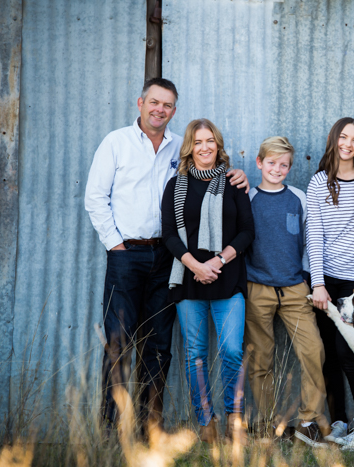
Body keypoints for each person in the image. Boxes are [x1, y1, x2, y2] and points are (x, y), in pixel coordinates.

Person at [84, 79, 248, 434]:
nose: (160, 110)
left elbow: (210, 177)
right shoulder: (117, 142)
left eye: (168, 105)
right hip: (127, 255)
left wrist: (237, 173)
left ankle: (149, 428)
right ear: (140, 103)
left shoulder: (181, 147)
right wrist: (116, 245)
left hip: (168, 260)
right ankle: (110, 429)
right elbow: (95, 197)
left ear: (174, 111)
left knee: (159, 344)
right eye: (154, 102)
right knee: (119, 341)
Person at [161, 118, 254, 444]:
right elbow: (170, 236)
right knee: (195, 355)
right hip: (188, 281)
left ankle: (234, 420)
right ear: (190, 146)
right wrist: (195, 266)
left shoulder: (234, 182)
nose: (205, 147)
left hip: (228, 278)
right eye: (198, 142)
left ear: (218, 144)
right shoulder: (175, 185)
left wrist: (217, 260)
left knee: (231, 350)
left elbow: (247, 231)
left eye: (210, 141)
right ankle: (206, 423)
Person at [243, 136, 330, 447]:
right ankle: (267, 425)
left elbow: (310, 241)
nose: (277, 169)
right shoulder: (248, 197)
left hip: (295, 289)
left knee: (313, 351)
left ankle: (309, 422)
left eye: (284, 165)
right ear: (259, 163)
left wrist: (307, 278)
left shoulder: (298, 197)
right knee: (261, 359)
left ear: (290, 168)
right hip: (258, 289)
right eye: (271, 163)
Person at [306, 117, 354, 444]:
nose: (348, 144)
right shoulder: (319, 182)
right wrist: (318, 283)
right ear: (334, 139)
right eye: (344, 137)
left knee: (350, 354)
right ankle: (339, 421)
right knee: (329, 353)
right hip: (328, 282)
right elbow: (315, 235)